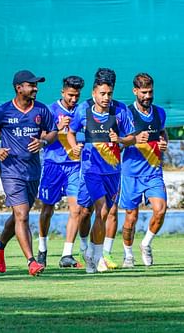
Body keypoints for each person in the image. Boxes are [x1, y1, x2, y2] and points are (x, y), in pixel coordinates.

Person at [0, 70, 57, 276]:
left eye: (36, 85)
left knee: (18, 215)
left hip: (33, 171)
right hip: (11, 171)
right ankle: (32, 262)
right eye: (31, 85)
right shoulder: (4, 110)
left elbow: (53, 132)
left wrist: (43, 141)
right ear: (19, 87)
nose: (35, 88)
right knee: (22, 215)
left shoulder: (41, 110)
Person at [67, 71, 134, 274]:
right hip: (91, 169)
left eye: (109, 93)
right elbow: (71, 132)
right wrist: (74, 148)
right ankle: (94, 258)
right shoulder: (83, 110)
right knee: (100, 210)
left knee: (94, 213)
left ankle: (89, 253)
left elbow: (132, 137)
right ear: (94, 92)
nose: (106, 98)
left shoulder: (120, 110)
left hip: (113, 171)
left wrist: (120, 140)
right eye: (102, 93)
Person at [120, 73, 168, 268]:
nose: (148, 96)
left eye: (150, 92)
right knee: (131, 218)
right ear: (135, 91)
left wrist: (164, 142)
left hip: (153, 171)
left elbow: (162, 132)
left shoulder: (160, 113)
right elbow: (119, 141)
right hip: (131, 173)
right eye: (144, 92)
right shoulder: (126, 113)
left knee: (160, 210)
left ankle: (146, 244)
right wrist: (134, 139)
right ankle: (128, 254)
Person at [36, 75, 85, 268]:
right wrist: (56, 128)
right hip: (53, 166)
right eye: (70, 95)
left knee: (77, 209)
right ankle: (42, 247)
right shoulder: (50, 110)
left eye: (77, 95)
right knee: (47, 209)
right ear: (63, 92)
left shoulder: (83, 111)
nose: (74, 99)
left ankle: (67, 254)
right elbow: (39, 136)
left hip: (74, 166)